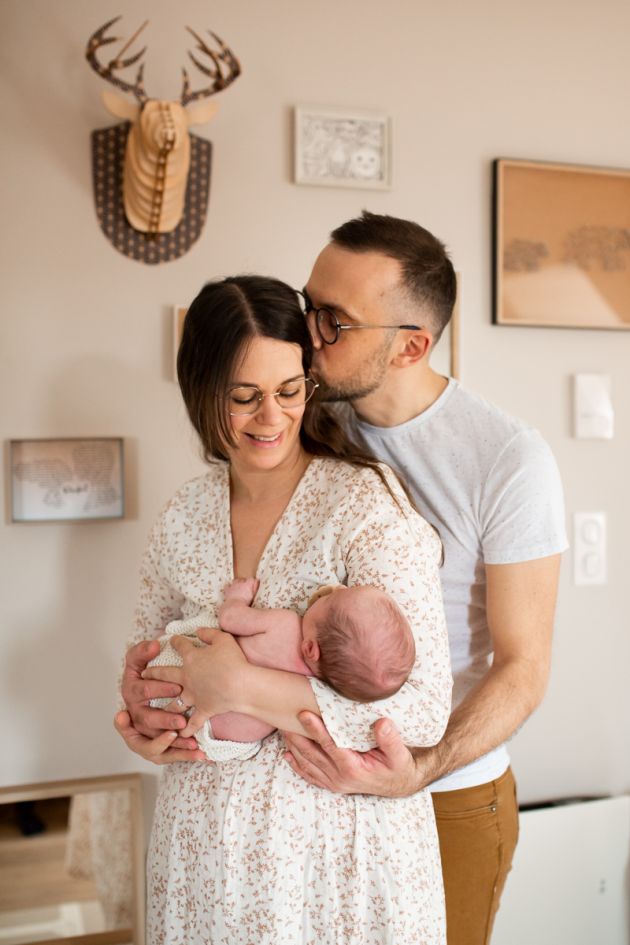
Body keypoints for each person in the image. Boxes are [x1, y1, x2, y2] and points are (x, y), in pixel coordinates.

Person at [115, 274, 452, 944]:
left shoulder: (362, 503)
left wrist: (245, 687)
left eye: (289, 391)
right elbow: (149, 656)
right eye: (243, 398)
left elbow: (423, 706)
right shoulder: (185, 513)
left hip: (332, 864)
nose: (271, 417)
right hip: (205, 858)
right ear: (200, 392)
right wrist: (141, 716)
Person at [278, 212, 568, 945]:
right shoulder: (293, 422)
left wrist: (422, 768)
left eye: (335, 321)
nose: (309, 332)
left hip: (448, 796)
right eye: (307, 305)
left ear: (412, 344)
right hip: (307, 781)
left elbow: (524, 667)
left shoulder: (507, 459)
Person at [148, 577, 416, 761]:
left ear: (311, 649)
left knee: (178, 645)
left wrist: (237, 597)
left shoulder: (286, 625)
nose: (334, 591)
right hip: (222, 741)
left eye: (332, 603)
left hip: (185, 684)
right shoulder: (315, 694)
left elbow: (229, 618)